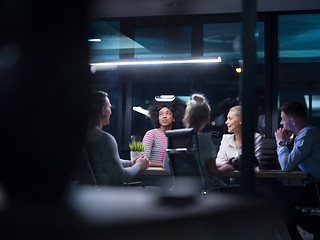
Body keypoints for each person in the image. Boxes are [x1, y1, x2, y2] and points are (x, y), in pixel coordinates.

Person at [274, 101, 320, 239]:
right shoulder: (303, 135)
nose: (281, 123)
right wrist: (286, 143)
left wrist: (281, 143)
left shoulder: (308, 134)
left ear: (292, 121)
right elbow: (291, 163)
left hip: (318, 189)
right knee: (280, 204)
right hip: (314, 187)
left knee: (277, 202)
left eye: (282, 119)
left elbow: (287, 165)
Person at [87, 90, 149, 186]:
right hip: (110, 194)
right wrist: (139, 165)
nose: (111, 112)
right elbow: (121, 176)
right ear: (103, 111)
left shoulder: (87, 136)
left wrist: (130, 163)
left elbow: (109, 160)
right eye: (110, 108)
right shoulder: (104, 139)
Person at [183, 93, 234, 189]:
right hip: (204, 189)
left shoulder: (174, 136)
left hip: (181, 189)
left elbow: (167, 167)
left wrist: (219, 165)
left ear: (187, 117)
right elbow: (214, 172)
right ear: (206, 119)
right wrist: (225, 168)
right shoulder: (203, 138)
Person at [215, 105, 262, 170]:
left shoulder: (256, 137)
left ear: (241, 120)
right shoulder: (226, 138)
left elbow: (255, 164)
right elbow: (219, 162)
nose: (226, 122)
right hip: (228, 179)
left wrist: (229, 164)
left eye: (230, 118)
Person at [143, 96, 184, 167]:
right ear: (157, 118)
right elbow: (144, 161)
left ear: (174, 118)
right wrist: (165, 165)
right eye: (160, 114)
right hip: (153, 174)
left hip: (171, 175)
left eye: (167, 113)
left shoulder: (176, 136)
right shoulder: (151, 134)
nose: (164, 116)